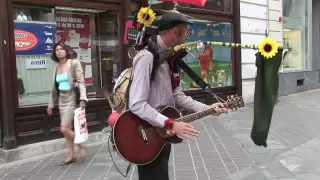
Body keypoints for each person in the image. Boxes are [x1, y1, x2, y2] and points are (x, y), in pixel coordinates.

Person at [128, 11, 228, 180]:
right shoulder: (146, 57)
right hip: (145, 133)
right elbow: (137, 104)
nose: (187, 37)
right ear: (176, 32)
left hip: (163, 132)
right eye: (186, 32)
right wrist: (171, 123)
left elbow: (177, 96)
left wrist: (207, 107)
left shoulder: (170, 58)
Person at [47, 42, 87, 166]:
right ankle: (71, 155)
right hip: (61, 100)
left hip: (71, 98)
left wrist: (83, 99)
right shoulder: (57, 67)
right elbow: (54, 88)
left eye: (61, 49)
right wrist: (51, 104)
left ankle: (80, 143)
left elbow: (81, 82)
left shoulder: (74, 63)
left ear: (66, 51)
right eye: (57, 50)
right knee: (67, 130)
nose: (59, 51)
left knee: (63, 128)